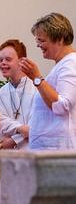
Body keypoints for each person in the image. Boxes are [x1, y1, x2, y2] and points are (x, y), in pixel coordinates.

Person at [20, 12, 76, 150]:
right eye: (37, 41)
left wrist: (37, 79)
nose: (38, 45)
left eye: (42, 40)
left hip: (59, 153)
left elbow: (62, 105)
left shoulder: (70, 64)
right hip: (51, 151)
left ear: (60, 39)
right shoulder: (62, 64)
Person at [0, 39, 36, 149]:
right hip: (9, 157)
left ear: (21, 61)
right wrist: (20, 129)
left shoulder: (36, 89)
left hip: (32, 152)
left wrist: (14, 140)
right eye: (1, 60)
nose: (3, 63)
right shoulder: (1, 93)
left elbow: (36, 126)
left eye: (8, 59)